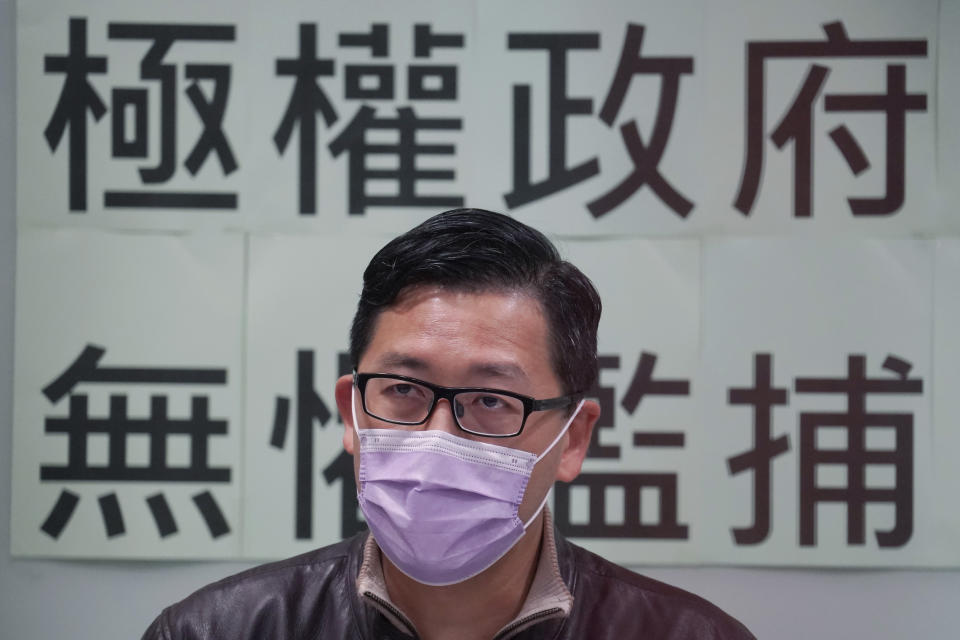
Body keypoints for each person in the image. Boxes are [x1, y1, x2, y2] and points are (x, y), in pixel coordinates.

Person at [142, 208, 755, 640]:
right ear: (351, 414)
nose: (437, 435)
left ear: (572, 439)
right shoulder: (216, 631)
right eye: (403, 389)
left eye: (491, 400)